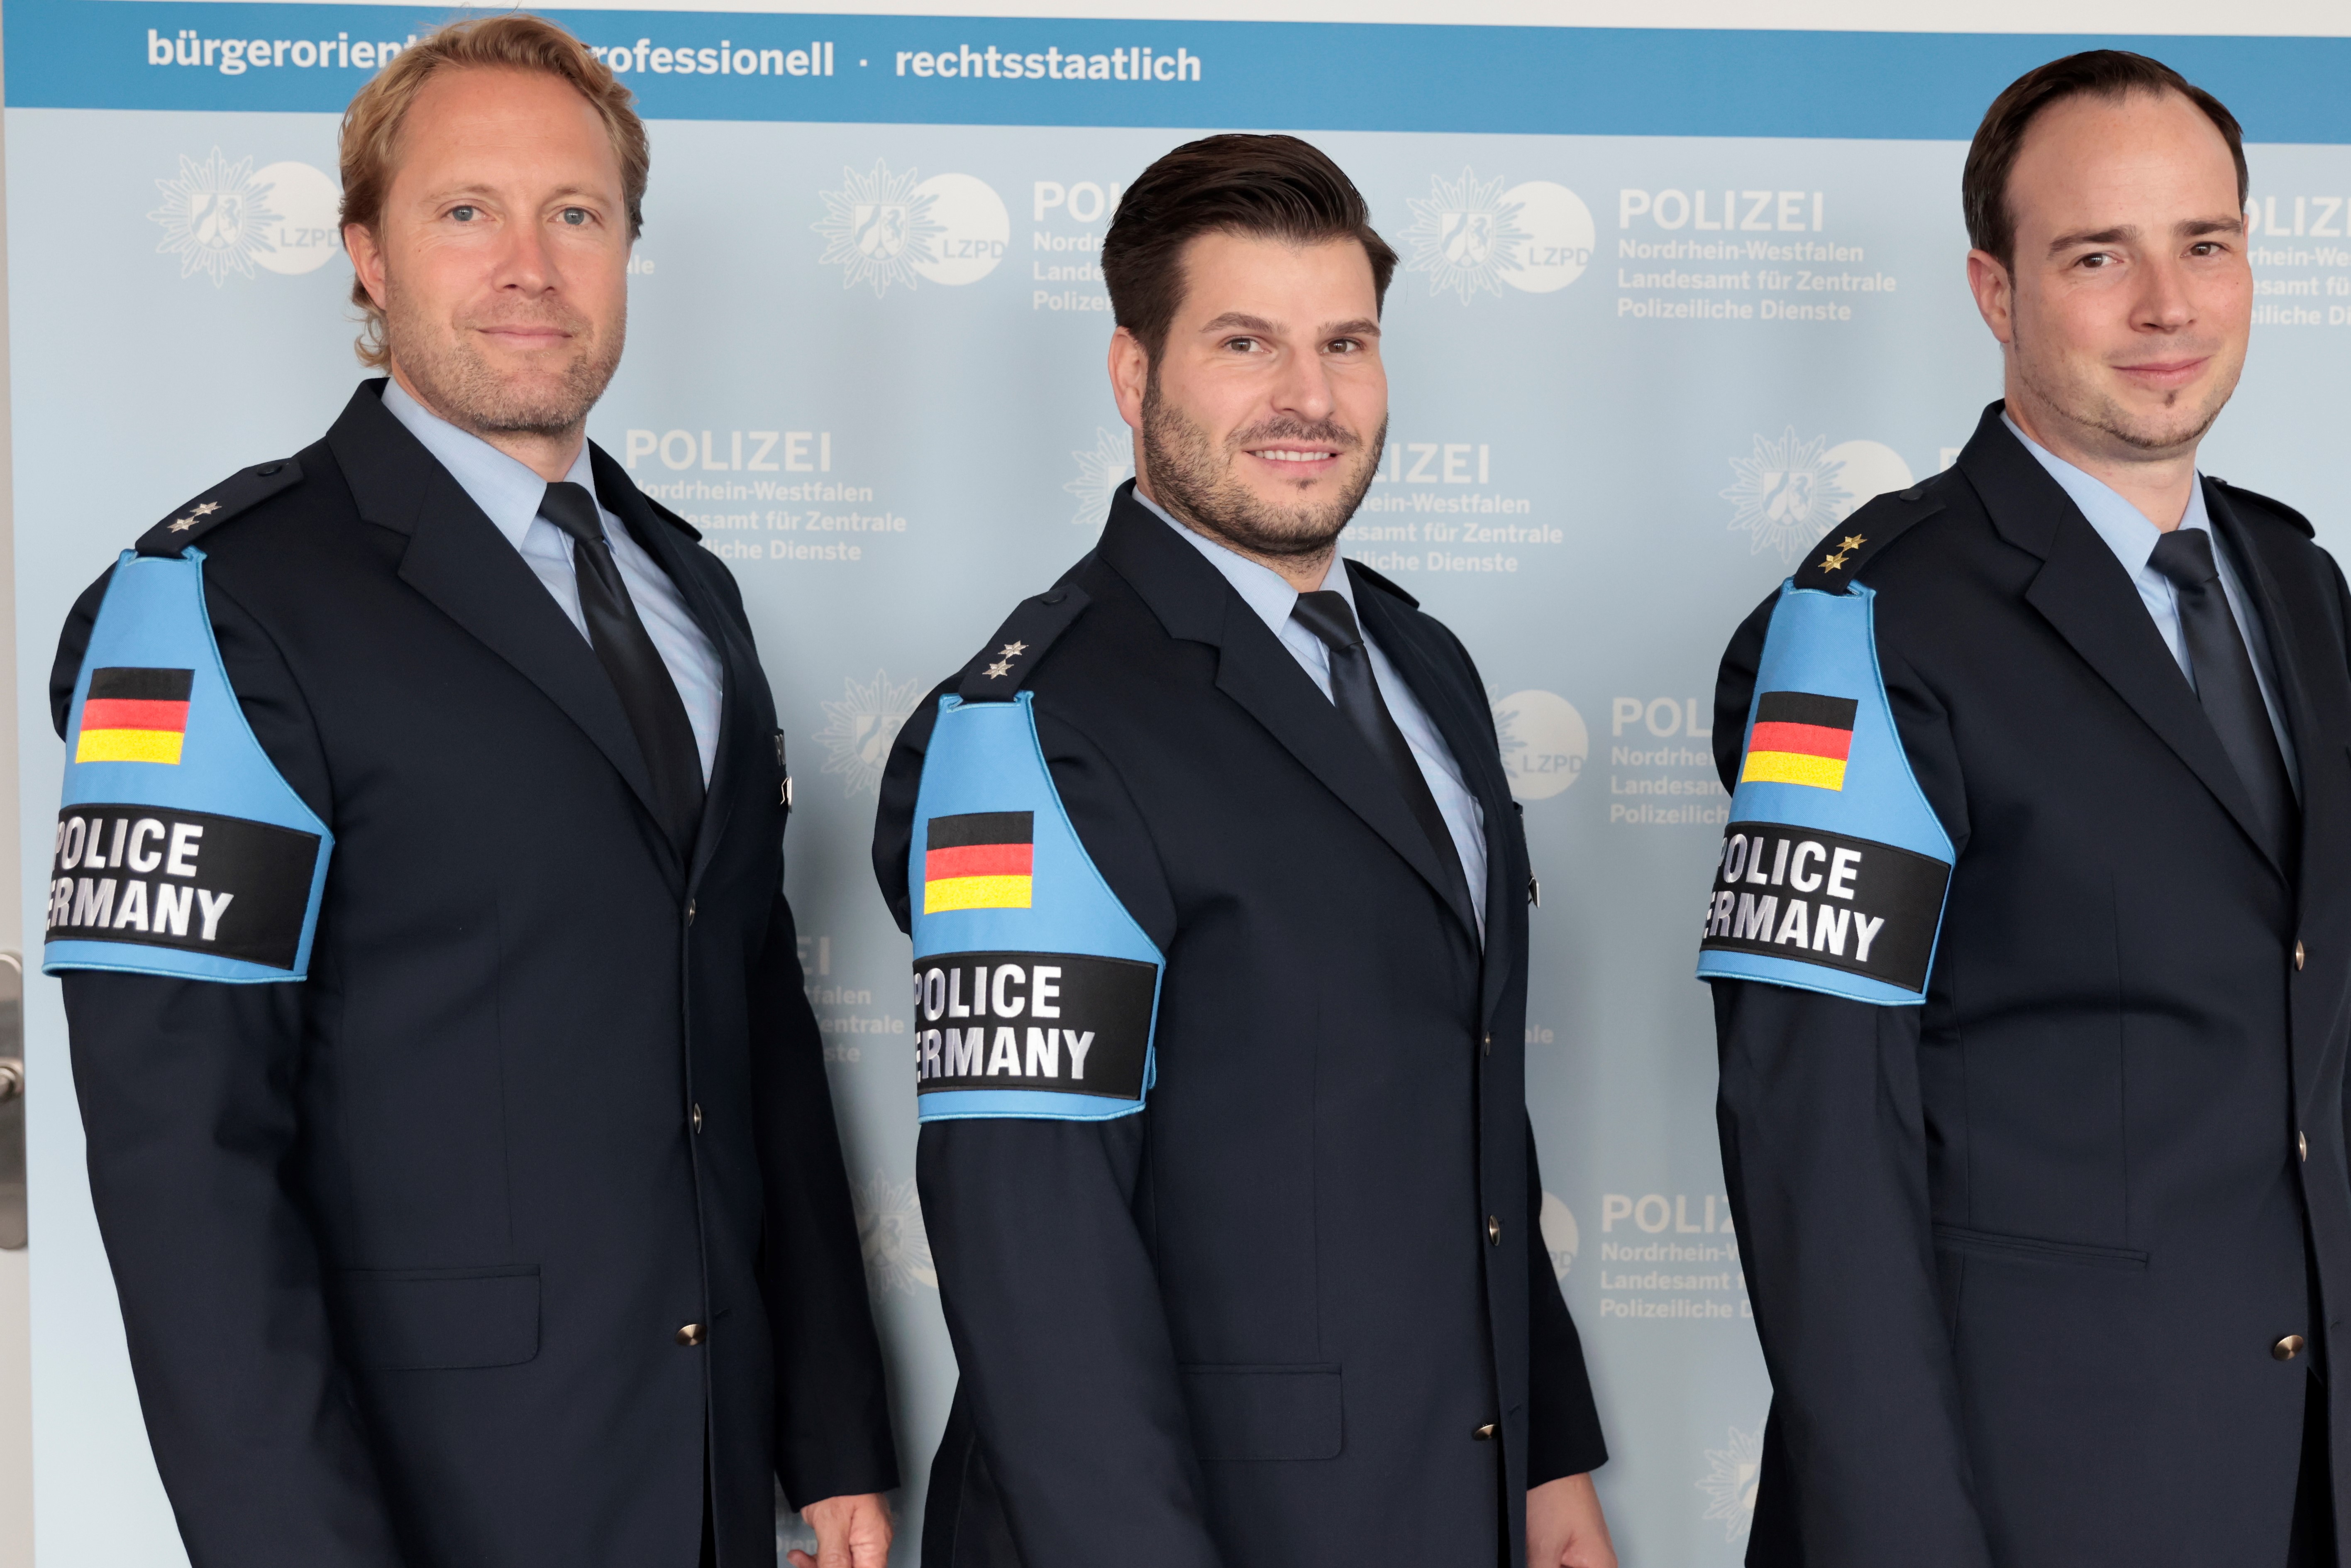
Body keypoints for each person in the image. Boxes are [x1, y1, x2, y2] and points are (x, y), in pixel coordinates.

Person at [42, 17, 895, 1567]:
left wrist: (829, 1431)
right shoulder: (215, 600)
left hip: (712, 1487)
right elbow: (184, 1163)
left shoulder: (688, 591)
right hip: (429, 1497)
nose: (531, 265)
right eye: (465, 211)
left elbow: (754, 1019)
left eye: (576, 214)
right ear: (365, 254)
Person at [872, 134, 1613, 1568]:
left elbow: (1460, 1101)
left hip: (1448, 1500)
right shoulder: (1024, 730)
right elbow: (1034, 1250)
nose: (1310, 398)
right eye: (1245, 343)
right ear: (1132, 375)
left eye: (1346, 342)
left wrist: (1548, 1454)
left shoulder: (1422, 664)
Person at [1699, 50, 2351, 1568]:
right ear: (1995, 293)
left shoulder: (2299, 587)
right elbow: (1814, 1137)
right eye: (2094, 257)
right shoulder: (1860, 624)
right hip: (2029, 1497)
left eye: (2204, 244)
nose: (2166, 307)